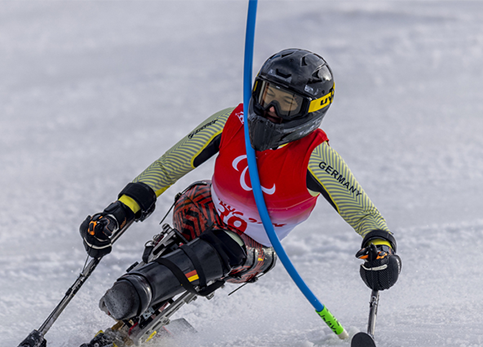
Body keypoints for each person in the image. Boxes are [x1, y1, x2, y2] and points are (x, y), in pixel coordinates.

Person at [80, 48, 401, 324]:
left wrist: (381, 250)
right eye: (266, 95)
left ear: (310, 110)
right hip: (208, 211)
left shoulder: (316, 158)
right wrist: (120, 210)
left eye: (284, 103)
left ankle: (140, 291)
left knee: (225, 245)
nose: (270, 110)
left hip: (250, 251)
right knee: (193, 201)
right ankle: (149, 286)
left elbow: (366, 215)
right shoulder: (231, 121)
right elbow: (169, 166)